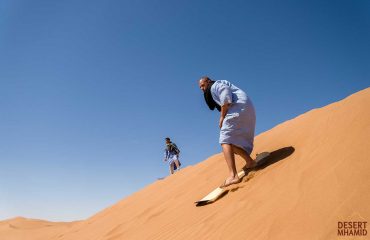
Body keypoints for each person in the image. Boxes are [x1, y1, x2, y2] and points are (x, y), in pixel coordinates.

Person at [198, 76, 257, 187]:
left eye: (203, 85)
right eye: (200, 87)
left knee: (224, 140)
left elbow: (224, 92)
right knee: (230, 141)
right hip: (245, 108)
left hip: (238, 108)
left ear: (209, 81)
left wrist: (222, 116)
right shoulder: (215, 86)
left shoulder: (215, 85)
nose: (201, 88)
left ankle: (233, 176)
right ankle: (250, 162)